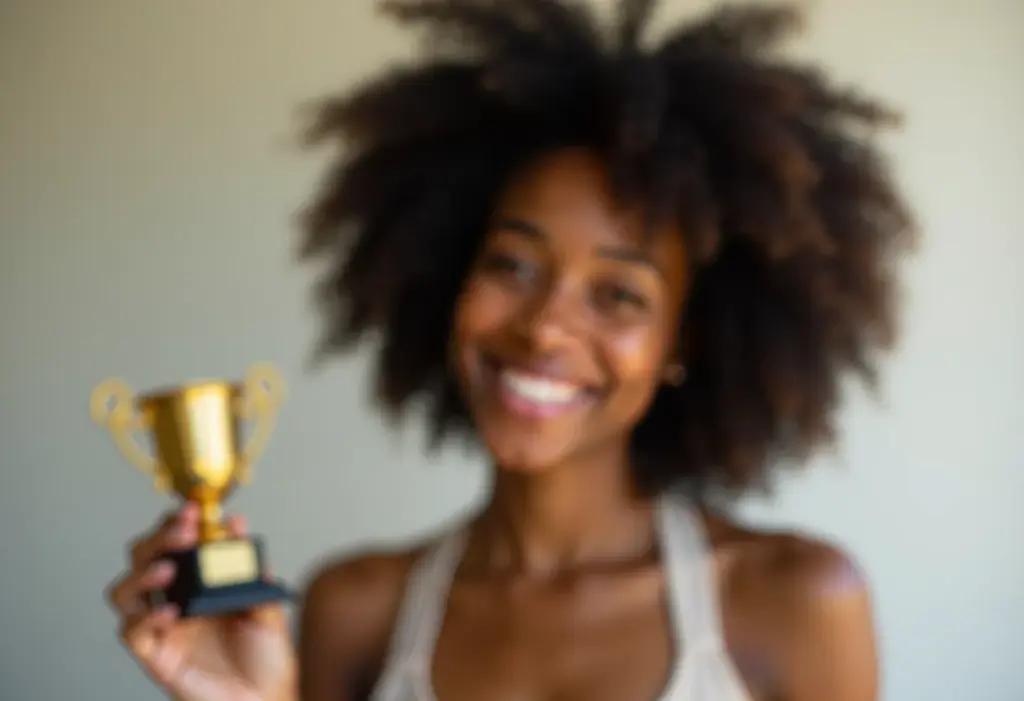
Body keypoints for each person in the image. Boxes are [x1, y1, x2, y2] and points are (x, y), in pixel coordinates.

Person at [104, 1, 916, 700]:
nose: (545, 328)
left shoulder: (796, 602)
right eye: (512, 265)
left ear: (684, 340)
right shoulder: (355, 609)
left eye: (619, 293)